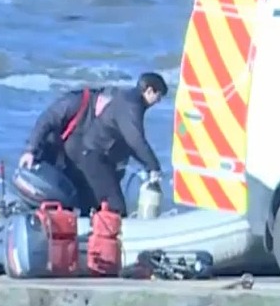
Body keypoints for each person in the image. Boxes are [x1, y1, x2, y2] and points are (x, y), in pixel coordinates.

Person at [78, 72, 168, 217]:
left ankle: (96, 232)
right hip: (95, 155)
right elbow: (135, 140)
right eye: (158, 97)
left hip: (99, 154)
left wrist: (146, 164)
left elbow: (130, 141)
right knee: (116, 207)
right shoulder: (132, 106)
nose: (158, 102)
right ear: (149, 91)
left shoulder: (130, 99)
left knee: (97, 203)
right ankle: (113, 236)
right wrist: (154, 166)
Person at [18, 86, 109, 215]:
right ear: (100, 100)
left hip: (75, 162)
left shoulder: (109, 119)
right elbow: (46, 120)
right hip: (51, 155)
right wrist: (30, 150)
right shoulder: (74, 102)